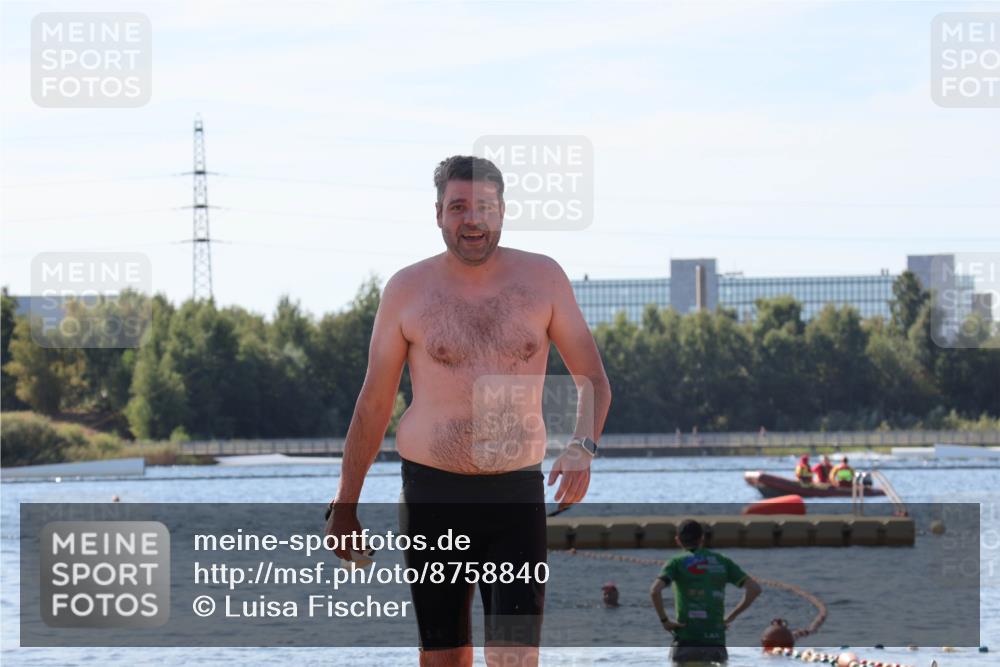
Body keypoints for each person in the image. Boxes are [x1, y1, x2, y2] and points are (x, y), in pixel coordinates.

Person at [325, 155, 612, 667]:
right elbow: (374, 401)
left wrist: (581, 445)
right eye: (458, 207)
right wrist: (346, 501)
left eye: (483, 207)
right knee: (444, 659)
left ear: (502, 212)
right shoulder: (407, 290)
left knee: (515, 658)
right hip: (432, 493)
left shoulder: (542, 279)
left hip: (514, 495)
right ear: (438, 214)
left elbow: (592, 378)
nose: (471, 219)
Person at [650, 519, 762, 663]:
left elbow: (654, 591)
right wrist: (730, 617)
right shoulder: (722, 561)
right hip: (716, 644)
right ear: (702, 538)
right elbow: (755, 589)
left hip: (686, 643)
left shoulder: (676, 562)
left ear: (678, 540)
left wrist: (665, 621)